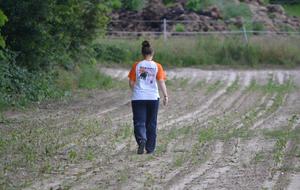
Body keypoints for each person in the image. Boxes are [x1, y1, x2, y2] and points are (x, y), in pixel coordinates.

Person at [128, 40, 168, 154]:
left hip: (138, 98)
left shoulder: (136, 65)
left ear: (142, 54)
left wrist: (135, 90)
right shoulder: (157, 66)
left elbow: (131, 82)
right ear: (152, 53)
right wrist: (165, 95)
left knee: (139, 122)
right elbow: (161, 82)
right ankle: (150, 148)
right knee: (151, 123)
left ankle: (141, 139)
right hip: (153, 98)